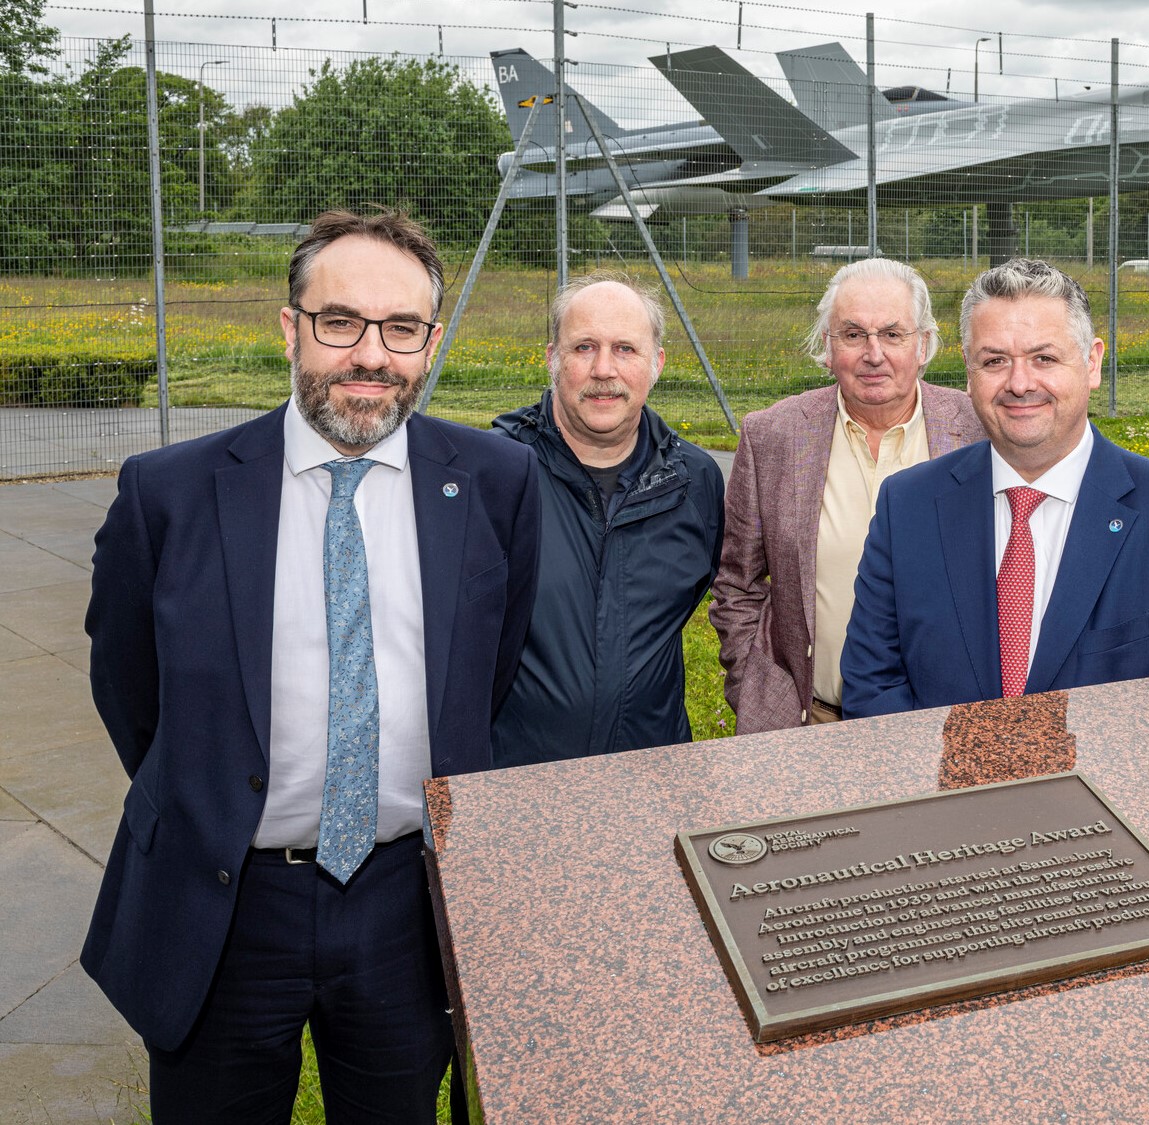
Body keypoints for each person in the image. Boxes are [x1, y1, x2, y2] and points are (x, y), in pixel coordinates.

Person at [81, 209, 541, 1121]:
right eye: (341, 321)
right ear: (291, 326)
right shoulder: (168, 493)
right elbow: (132, 692)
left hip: (404, 902)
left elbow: (487, 674)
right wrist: (214, 795)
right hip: (227, 902)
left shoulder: (494, 480)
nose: (371, 354)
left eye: (400, 328)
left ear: (431, 341)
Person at [841, 258, 1149, 731]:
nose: (1020, 383)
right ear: (968, 373)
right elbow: (873, 689)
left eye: (1044, 358)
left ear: (1091, 363)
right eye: (994, 361)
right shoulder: (906, 507)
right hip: (938, 797)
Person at [709, 258, 983, 733]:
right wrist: (752, 683)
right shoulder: (773, 436)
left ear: (923, 345)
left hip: (946, 723)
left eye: (893, 334)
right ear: (826, 345)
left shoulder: (979, 431)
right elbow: (738, 583)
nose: (873, 354)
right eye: (853, 334)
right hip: (810, 720)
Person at [491, 272, 725, 765]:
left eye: (625, 349)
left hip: (653, 775)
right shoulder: (494, 473)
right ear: (552, 357)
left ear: (656, 363)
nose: (604, 370)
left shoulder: (696, 481)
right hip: (510, 778)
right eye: (584, 348)